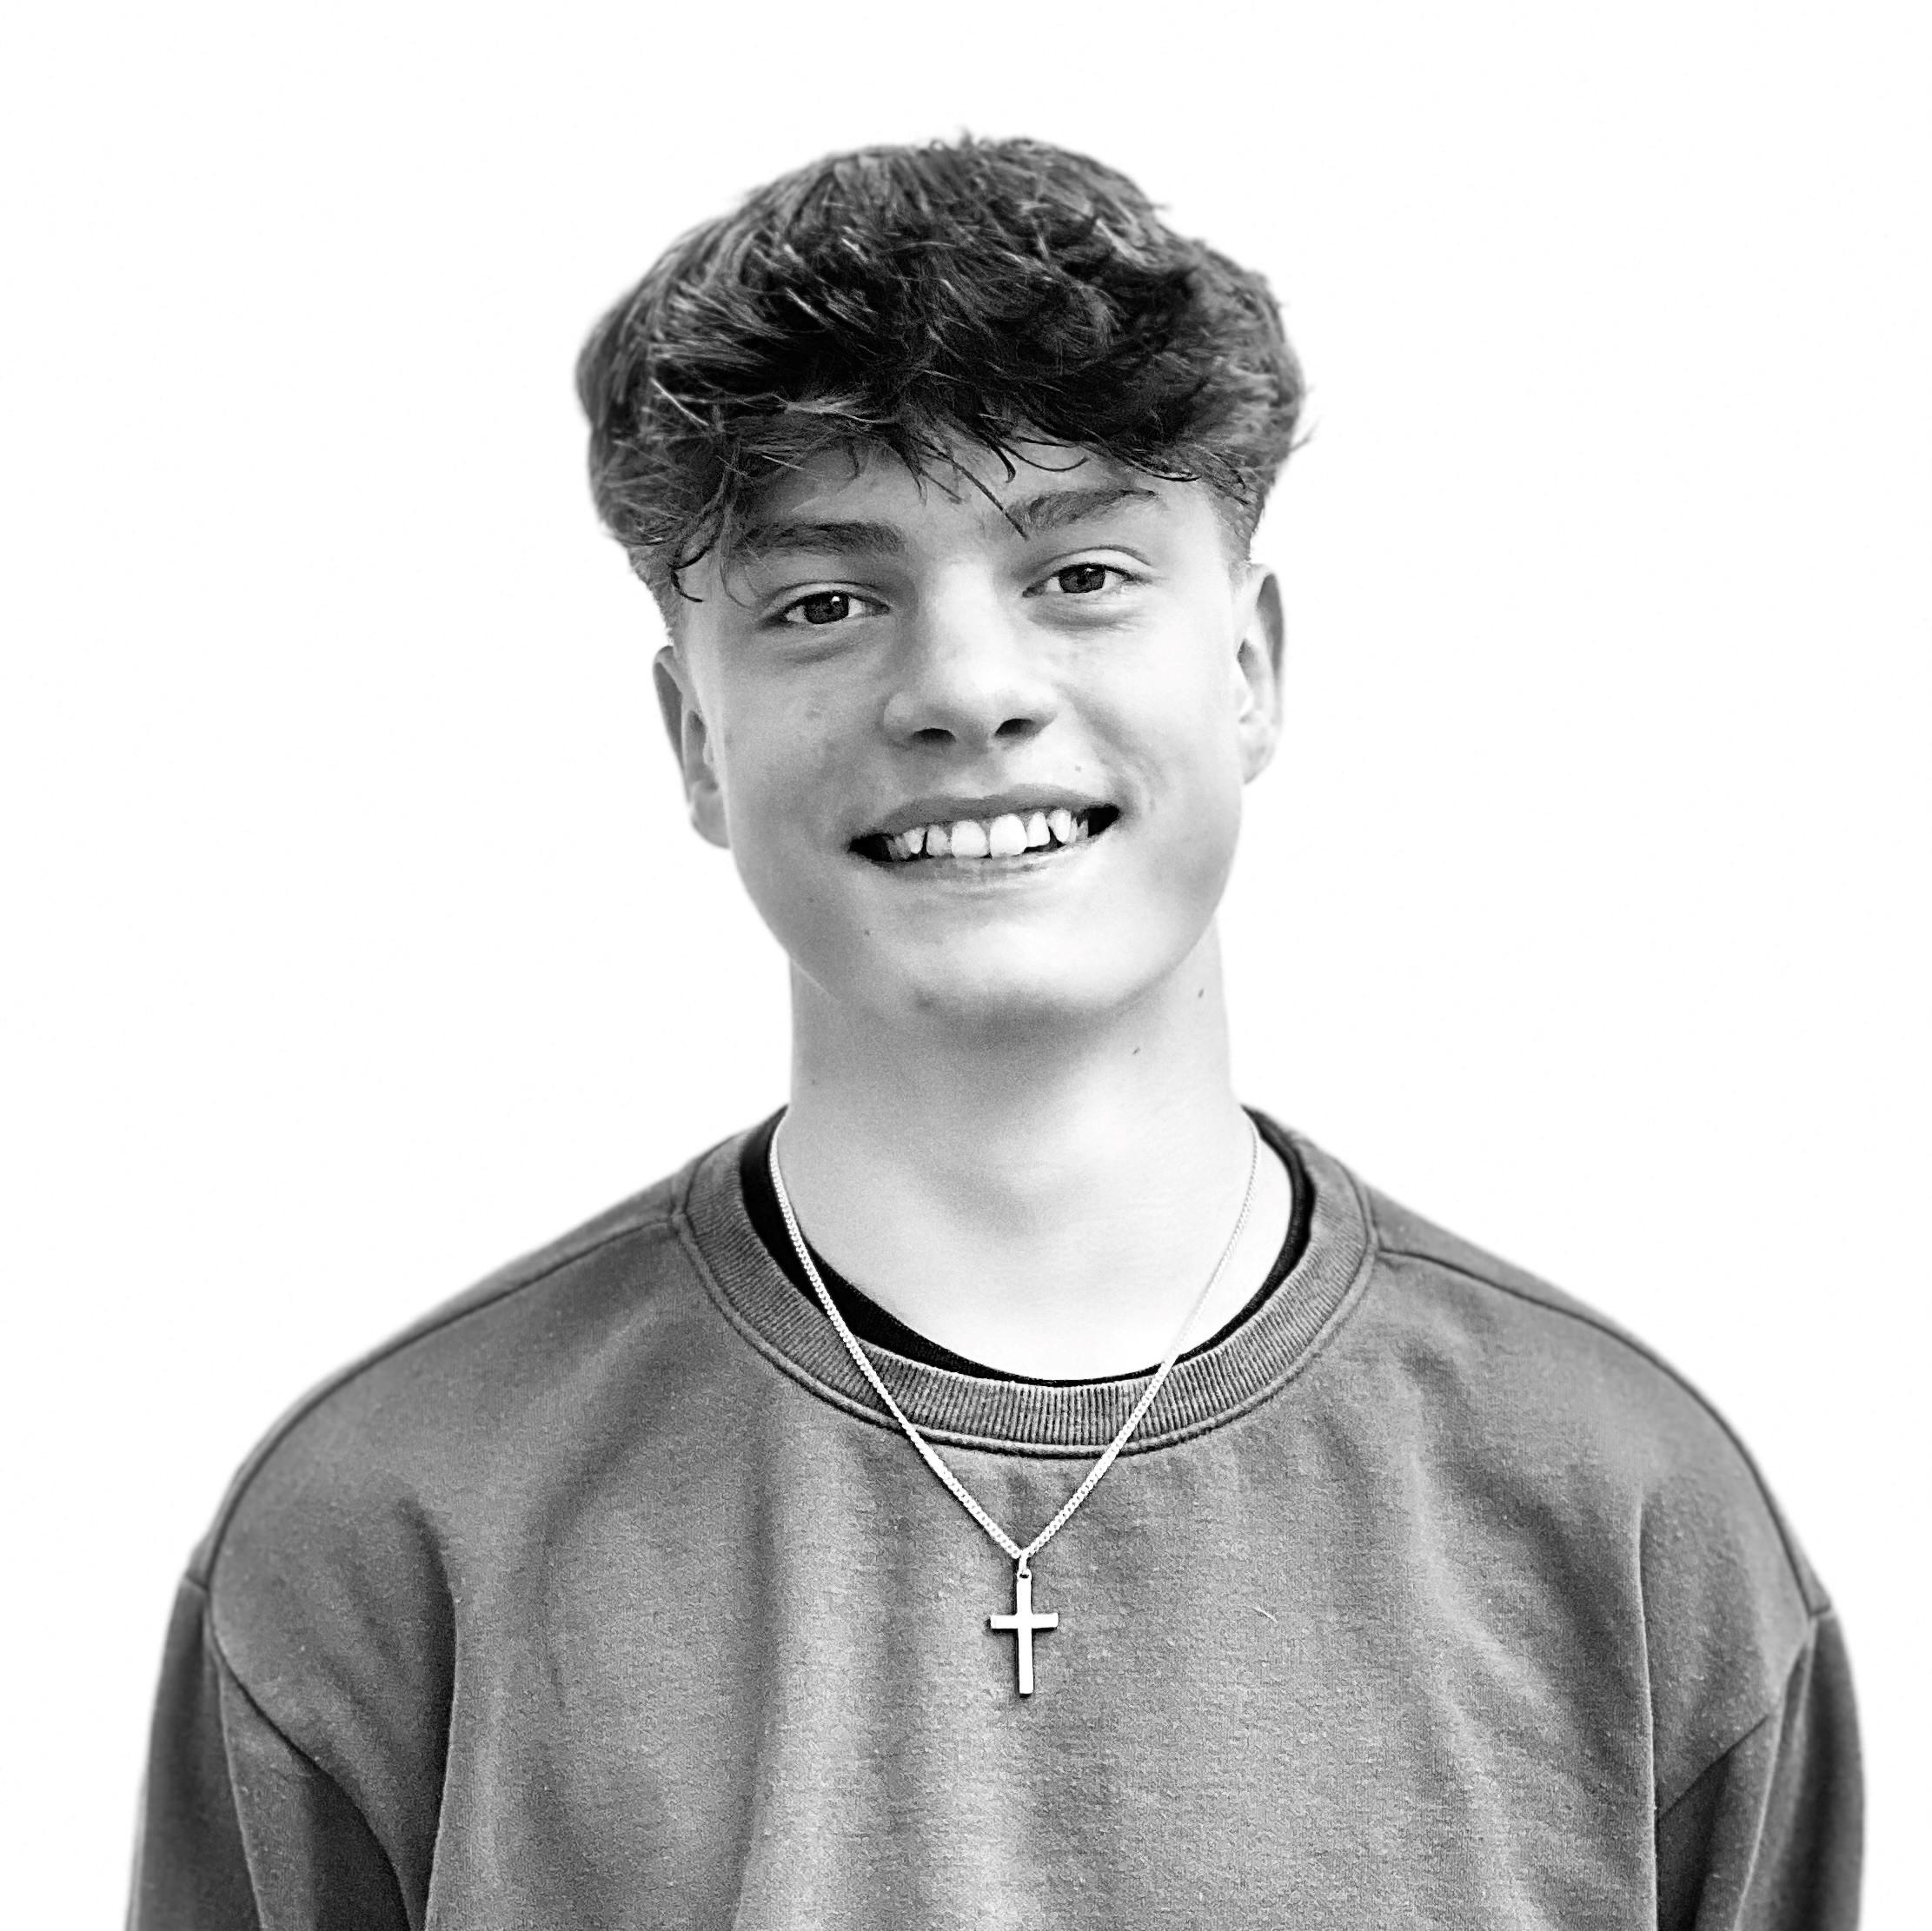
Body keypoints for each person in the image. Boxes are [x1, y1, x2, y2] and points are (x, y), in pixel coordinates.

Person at [128, 137, 1861, 1928]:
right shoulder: (386, 1542)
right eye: (825, 603)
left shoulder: (1632, 1520)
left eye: (1081, 574)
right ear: (696, 740)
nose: (965, 688)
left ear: (1250, 667)